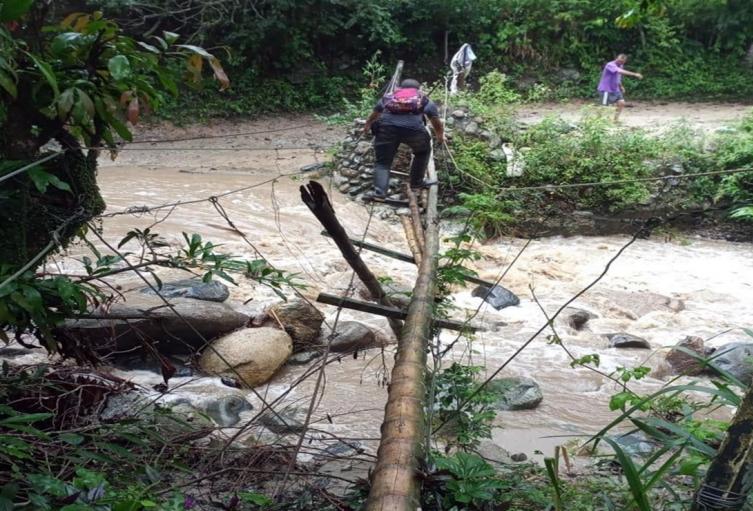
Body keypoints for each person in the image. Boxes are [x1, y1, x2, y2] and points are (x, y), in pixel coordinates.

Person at [363, 78, 445, 199]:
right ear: (418, 89)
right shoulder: (423, 99)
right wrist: (440, 136)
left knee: (383, 162)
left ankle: (379, 193)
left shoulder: (389, 97)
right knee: (422, 152)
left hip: (386, 130)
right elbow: (435, 120)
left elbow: (375, 114)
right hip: (414, 131)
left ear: (400, 88)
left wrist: (367, 126)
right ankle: (416, 183)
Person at [597, 54, 643, 122]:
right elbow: (619, 71)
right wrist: (634, 74)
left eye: (622, 62)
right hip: (606, 89)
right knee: (603, 107)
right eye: (619, 61)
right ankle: (598, 120)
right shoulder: (610, 65)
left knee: (621, 103)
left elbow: (618, 77)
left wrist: (620, 86)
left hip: (615, 89)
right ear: (617, 59)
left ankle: (615, 120)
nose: (620, 63)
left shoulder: (620, 65)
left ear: (624, 62)